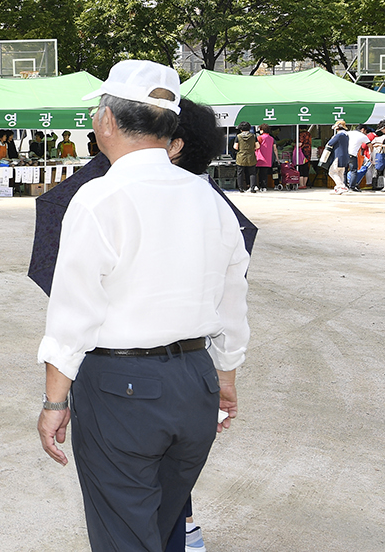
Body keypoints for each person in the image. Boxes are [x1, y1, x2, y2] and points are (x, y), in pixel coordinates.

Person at [37, 60, 249, 552]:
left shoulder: (99, 198)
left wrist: (54, 402)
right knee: (158, 522)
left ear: (107, 120)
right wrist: (226, 376)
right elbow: (233, 298)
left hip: (122, 390)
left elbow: (73, 315)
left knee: (125, 536)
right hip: (195, 381)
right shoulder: (209, 197)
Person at [324, 121, 351, 194]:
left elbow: (330, 143)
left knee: (332, 172)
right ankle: (340, 187)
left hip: (338, 156)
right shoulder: (346, 135)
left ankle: (341, 186)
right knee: (340, 173)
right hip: (345, 156)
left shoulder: (339, 135)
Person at [234, 122, 257, 192]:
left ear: (241, 129)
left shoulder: (238, 136)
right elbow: (258, 146)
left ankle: (241, 188)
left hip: (241, 156)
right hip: (251, 156)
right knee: (252, 172)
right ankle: (252, 188)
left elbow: (235, 147)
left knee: (240, 173)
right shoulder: (253, 136)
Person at [255, 124, 276, 191]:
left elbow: (256, 146)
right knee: (264, 174)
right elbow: (274, 149)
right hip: (268, 158)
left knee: (256, 173)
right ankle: (264, 187)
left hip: (259, 157)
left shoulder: (260, 138)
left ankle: (256, 185)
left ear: (262, 130)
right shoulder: (272, 138)